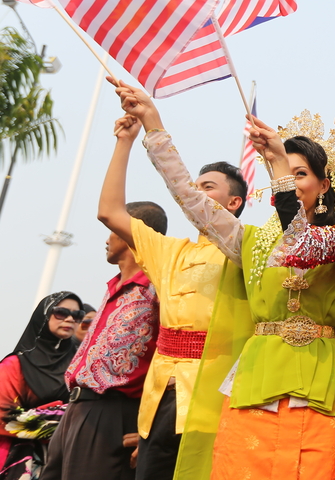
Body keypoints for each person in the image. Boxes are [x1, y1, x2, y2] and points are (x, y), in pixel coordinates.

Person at [115, 83, 335, 480]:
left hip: (324, 385)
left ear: (325, 184)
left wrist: (281, 162)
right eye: (284, 172)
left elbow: (300, 235)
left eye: (300, 173)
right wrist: (153, 124)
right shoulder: (248, 241)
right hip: (254, 383)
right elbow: (191, 200)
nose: (291, 181)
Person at [97, 106, 246, 480]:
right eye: (192, 187)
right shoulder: (171, 250)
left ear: (234, 204)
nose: (194, 193)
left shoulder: (248, 248)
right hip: (157, 399)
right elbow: (110, 212)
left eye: (207, 187)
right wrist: (124, 141)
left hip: (214, 401)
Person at [41, 202, 165, 480]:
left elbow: (172, 359)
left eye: (111, 229)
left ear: (131, 231)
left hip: (113, 411)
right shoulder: (113, 286)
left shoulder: (160, 287)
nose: (107, 237)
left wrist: (152, 428)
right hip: (76, 408)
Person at [0, 292, 83, 479]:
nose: (70, 319)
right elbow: (4, 417)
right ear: (43, 316)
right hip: (17, 461)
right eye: (61, 312)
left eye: (77, 315)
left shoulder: (81, 363)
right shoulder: (15, 365)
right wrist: (66, 421)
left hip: (69, 460)